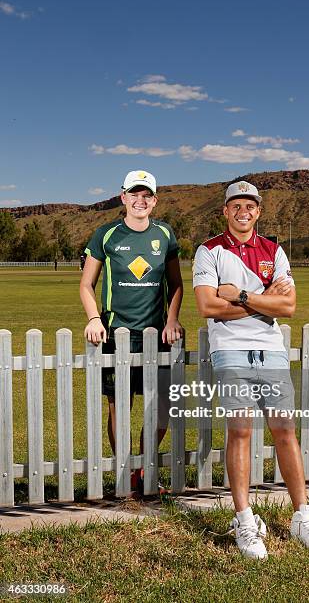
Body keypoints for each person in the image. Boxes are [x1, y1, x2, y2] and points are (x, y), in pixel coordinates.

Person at [193, 180, 309, 559]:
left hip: (271, 351)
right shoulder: (209, 251)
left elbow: (288, 307)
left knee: (285, 431)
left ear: (258, 210)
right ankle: (244, 519)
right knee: (240, 432)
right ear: (225, 210)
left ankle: (302, 516)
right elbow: (208, 306)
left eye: (250, 206)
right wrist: (264, 300)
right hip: (231, 351)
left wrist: (239, 295)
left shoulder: (274, 249)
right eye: (236, 205)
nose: (244, 211)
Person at [80, 170, 183, 491]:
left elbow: (176, 284)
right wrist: (94, 318)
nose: (141, 201)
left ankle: (143, 467)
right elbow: (86, 284)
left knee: (163, 409)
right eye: (134, 194)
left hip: (157, 338)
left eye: (147, 195)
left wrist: (172, 319)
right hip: (117, 337)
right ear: (123, 197)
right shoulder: (106, 234)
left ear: (154, 200)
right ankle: (128, 475)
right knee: (120, 409)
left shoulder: (165, 235)